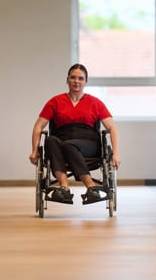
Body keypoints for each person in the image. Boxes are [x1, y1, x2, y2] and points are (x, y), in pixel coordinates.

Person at [29, 63, 121, 204]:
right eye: (73, 77)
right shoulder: (55, 101)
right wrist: (35, 150)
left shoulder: (95, 103)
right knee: (50, 141)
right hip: (62, 140)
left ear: (85, 81)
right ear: (67, 80)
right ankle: (64, 187)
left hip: (88, 142)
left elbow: (112, 128)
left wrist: (115, 153)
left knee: (67, 145)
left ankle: (90, 186)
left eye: (80, 78)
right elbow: (38, 126)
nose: (76, 81)